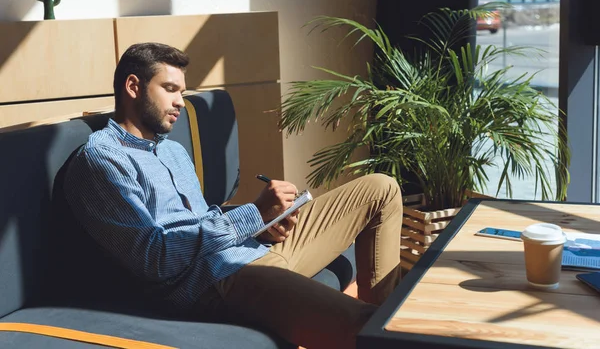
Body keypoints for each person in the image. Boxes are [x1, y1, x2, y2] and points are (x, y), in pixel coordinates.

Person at [64, 42, 403, 349]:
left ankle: (385, 322)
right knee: (365, 324)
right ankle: (380, 334)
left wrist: (263, 226)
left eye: (182, 91)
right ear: (133, 87)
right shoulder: (102, 160)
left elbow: (203, 220)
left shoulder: (173, 151)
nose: (180, 102)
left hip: (249, 251)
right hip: (216, 280)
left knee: (380, 188)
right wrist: (253, 214)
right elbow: (155, 259)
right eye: (169, 89)